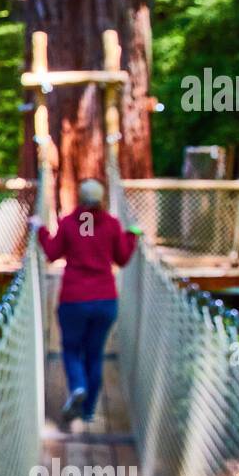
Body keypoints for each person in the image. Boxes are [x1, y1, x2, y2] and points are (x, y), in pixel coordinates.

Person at [28, 179, 140, 423]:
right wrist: (132, 236)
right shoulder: (111, 224)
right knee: (95, 354)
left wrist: (40, 230)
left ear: (80, 197)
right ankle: (88, 410)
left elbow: (52, 252)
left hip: (74, 300)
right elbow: (122, 258)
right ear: (102, 200)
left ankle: (78, 386)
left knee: (71, 349)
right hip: (105, 301)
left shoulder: (69, 222)